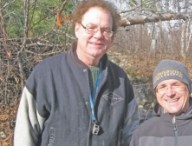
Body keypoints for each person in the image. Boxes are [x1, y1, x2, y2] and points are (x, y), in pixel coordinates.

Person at [14, 0, 139, 146]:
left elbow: (132, 134)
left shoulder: (120, 80)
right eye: (91, 28)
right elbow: (24, 136)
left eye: (106, 30)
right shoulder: (46, 75)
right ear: (77, 29)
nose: (98, 35)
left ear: (112, 37)